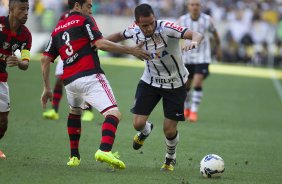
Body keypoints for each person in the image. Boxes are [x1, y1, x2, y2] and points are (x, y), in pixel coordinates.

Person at [40, 0, 149, 169]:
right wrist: (131, 50)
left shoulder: (58, 28)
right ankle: (104, 150)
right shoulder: (85, 20)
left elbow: (45, 59)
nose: (91, 10)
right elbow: (100, 44)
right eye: (88, 6)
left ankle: (74, 157)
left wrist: (46, 88)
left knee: (75, 112)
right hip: (89, 75)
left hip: (69, 81)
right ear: (77, 5)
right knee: (114, 113)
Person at [106, 3, 202, 171]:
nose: (149, 27)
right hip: (150, 81)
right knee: (137, 123)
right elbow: (116, 36)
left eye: (151, 22)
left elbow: (196, 33)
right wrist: (96, 42)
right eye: (145, 25)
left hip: (176, 83)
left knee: (169, 130)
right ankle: (146, 130)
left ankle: (170, 158)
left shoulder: (166, 27)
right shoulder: (133, 31)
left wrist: (194, 42)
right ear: (136, 23)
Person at [42, 11, 95, 122]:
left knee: (85, 81)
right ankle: (54, 111)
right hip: (66, 53)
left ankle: (88, 111)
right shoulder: (64, 16)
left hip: (82, 53)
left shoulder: (86, 17)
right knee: (59, 80)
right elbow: (58, 34)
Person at [177, 0, 222, 122]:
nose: (195, 7)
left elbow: (216, 35)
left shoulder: (208, 20)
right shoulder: (182, 20)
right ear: (188, 6)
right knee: (186, 86)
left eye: (197, 4)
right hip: (186, 57)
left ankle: (193, 111)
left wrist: (218, 48)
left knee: (197, 83)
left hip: (203, 57)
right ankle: (186, 108)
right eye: (192, 4)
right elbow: (173, 36)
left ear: (200, 6)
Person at [0, 0, 31, 160]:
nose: (26, 12)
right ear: (11, 9)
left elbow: (25, 64)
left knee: (3, 122)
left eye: (27, 9)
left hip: (1, 79)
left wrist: (19, 62)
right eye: (22, 9)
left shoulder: (26, 35)